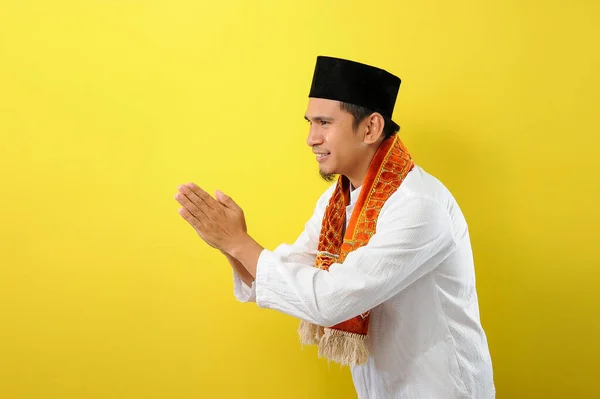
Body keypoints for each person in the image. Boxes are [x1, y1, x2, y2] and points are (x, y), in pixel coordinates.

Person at [174, 56, 495, 398]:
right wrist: (228, 243)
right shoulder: (338, 198)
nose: (311, 138)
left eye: (324, 122)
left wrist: (238, 242)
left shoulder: (418, 204)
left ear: (370, 128)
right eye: (310, 123)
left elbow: (331, 299)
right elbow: (294, 268)